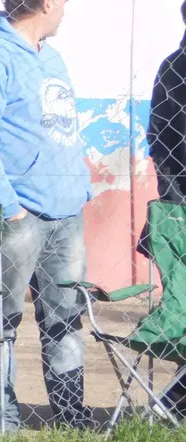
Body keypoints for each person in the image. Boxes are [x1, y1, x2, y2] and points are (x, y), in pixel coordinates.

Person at [0, 0, 93, 435]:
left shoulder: (51, 58)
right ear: (46, 3)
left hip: (67, 211)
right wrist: (9, 206)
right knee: (2, 321)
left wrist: (80, 186)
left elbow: (63, 129)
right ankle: (1, 422)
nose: (67, 11)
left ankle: (72, 417)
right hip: (19, 215)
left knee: (67, 317)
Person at [146, 0, 186, 417]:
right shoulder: (175, 68)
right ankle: (174, 403)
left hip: (177, 204)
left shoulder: (171, 66)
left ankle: (174, 402)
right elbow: (160, 135)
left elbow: (158, 136)